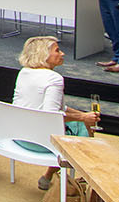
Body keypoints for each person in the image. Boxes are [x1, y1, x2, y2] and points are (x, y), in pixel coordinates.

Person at [14, 35, 100, 193]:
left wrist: (83, 115)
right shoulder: (55, 79)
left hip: (19, 136)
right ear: (44, 54)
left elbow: (57, 108)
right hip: (40, 143)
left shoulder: (24, 72)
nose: (62, 54)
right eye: (57, 50)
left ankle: (50, 176)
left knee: (79, 122)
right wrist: (84, 118)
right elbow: (51, 115)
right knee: (83, 128)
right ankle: (83, 178)